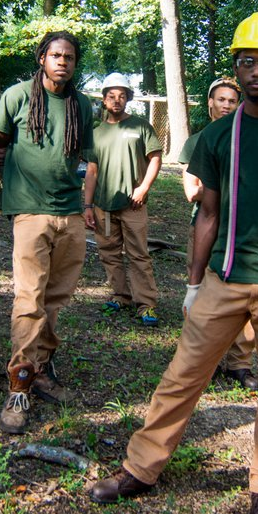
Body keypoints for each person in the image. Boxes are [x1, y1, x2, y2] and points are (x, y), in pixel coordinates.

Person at [89, 12, 258, 514]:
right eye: (247, 61)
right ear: (236, 66)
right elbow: (208, 214)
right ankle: (141, 468)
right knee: (183, 374)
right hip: (224, 279)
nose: (256, 71)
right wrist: (191, 281)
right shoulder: (217, 135)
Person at [0, 31, 96, 434]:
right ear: (42, 58)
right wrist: (14, 186)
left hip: (68, 213)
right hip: (30, 212)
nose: (62, 61)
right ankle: (20, 382)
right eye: (55, 55)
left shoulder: (81, 105)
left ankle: (42, 367)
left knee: (55, 297)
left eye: (69, 56)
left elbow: (84, 154)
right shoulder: (17, 96)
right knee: (29, 297)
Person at [178, 77, 258, 391]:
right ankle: (203, 361)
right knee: (201, 295)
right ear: (210, 103)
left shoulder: (249, 138)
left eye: (231, 100)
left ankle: (239, 364)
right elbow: (192, 191)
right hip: (206, 228)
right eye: (220, 99)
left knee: (248, 298)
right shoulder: (198, 140)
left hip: (245, 231)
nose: (226, 105)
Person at [82, 72, 163, 326]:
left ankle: (146, 304)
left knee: (139, 254)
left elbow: (155, 159)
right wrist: (87, 205)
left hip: (133, 204)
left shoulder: (140, 126)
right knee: (109, 252)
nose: (116, 100)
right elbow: (92, 171)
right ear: (104, 100)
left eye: (121, 96)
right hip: (103, 206)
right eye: (111, 96)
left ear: (128, 98)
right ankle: (120, 295)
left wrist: (144, 188)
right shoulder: (96, 133)